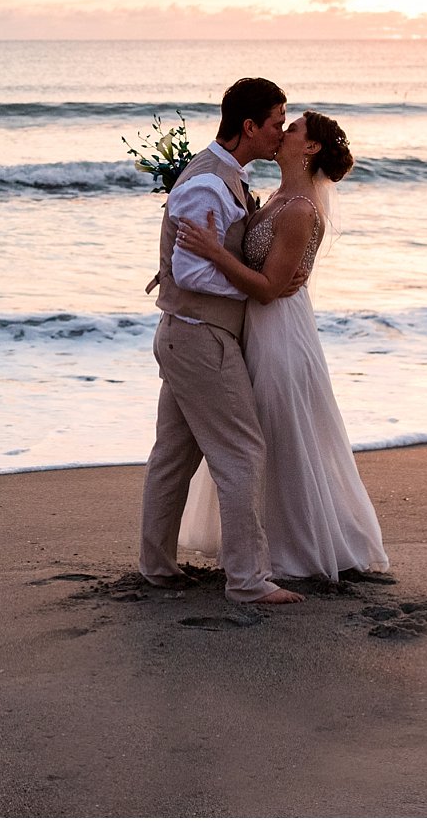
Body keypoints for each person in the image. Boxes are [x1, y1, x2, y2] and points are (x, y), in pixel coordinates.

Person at [175, 111, 391, 583]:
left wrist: (213, 253)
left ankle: (296, 549)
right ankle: (263, 542)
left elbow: (270, 287)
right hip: (258, 329)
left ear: (310, 148)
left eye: (292, 130)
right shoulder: (278, 198)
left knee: (280, 435)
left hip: (280, 334)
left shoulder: (298, 209)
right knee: (266, 436)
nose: (282, 133)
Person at [138, 77, 306, 617]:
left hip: (186, 335)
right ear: (249, 127)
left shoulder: (227, 178)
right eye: (276, 122)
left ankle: (157, 566)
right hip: (201, 338)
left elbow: (192, 262)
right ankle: (248, 580)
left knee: (174, 455)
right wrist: (258, 284)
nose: (280, 132)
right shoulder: (208, 185)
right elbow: (188, 270)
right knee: (242, 453)